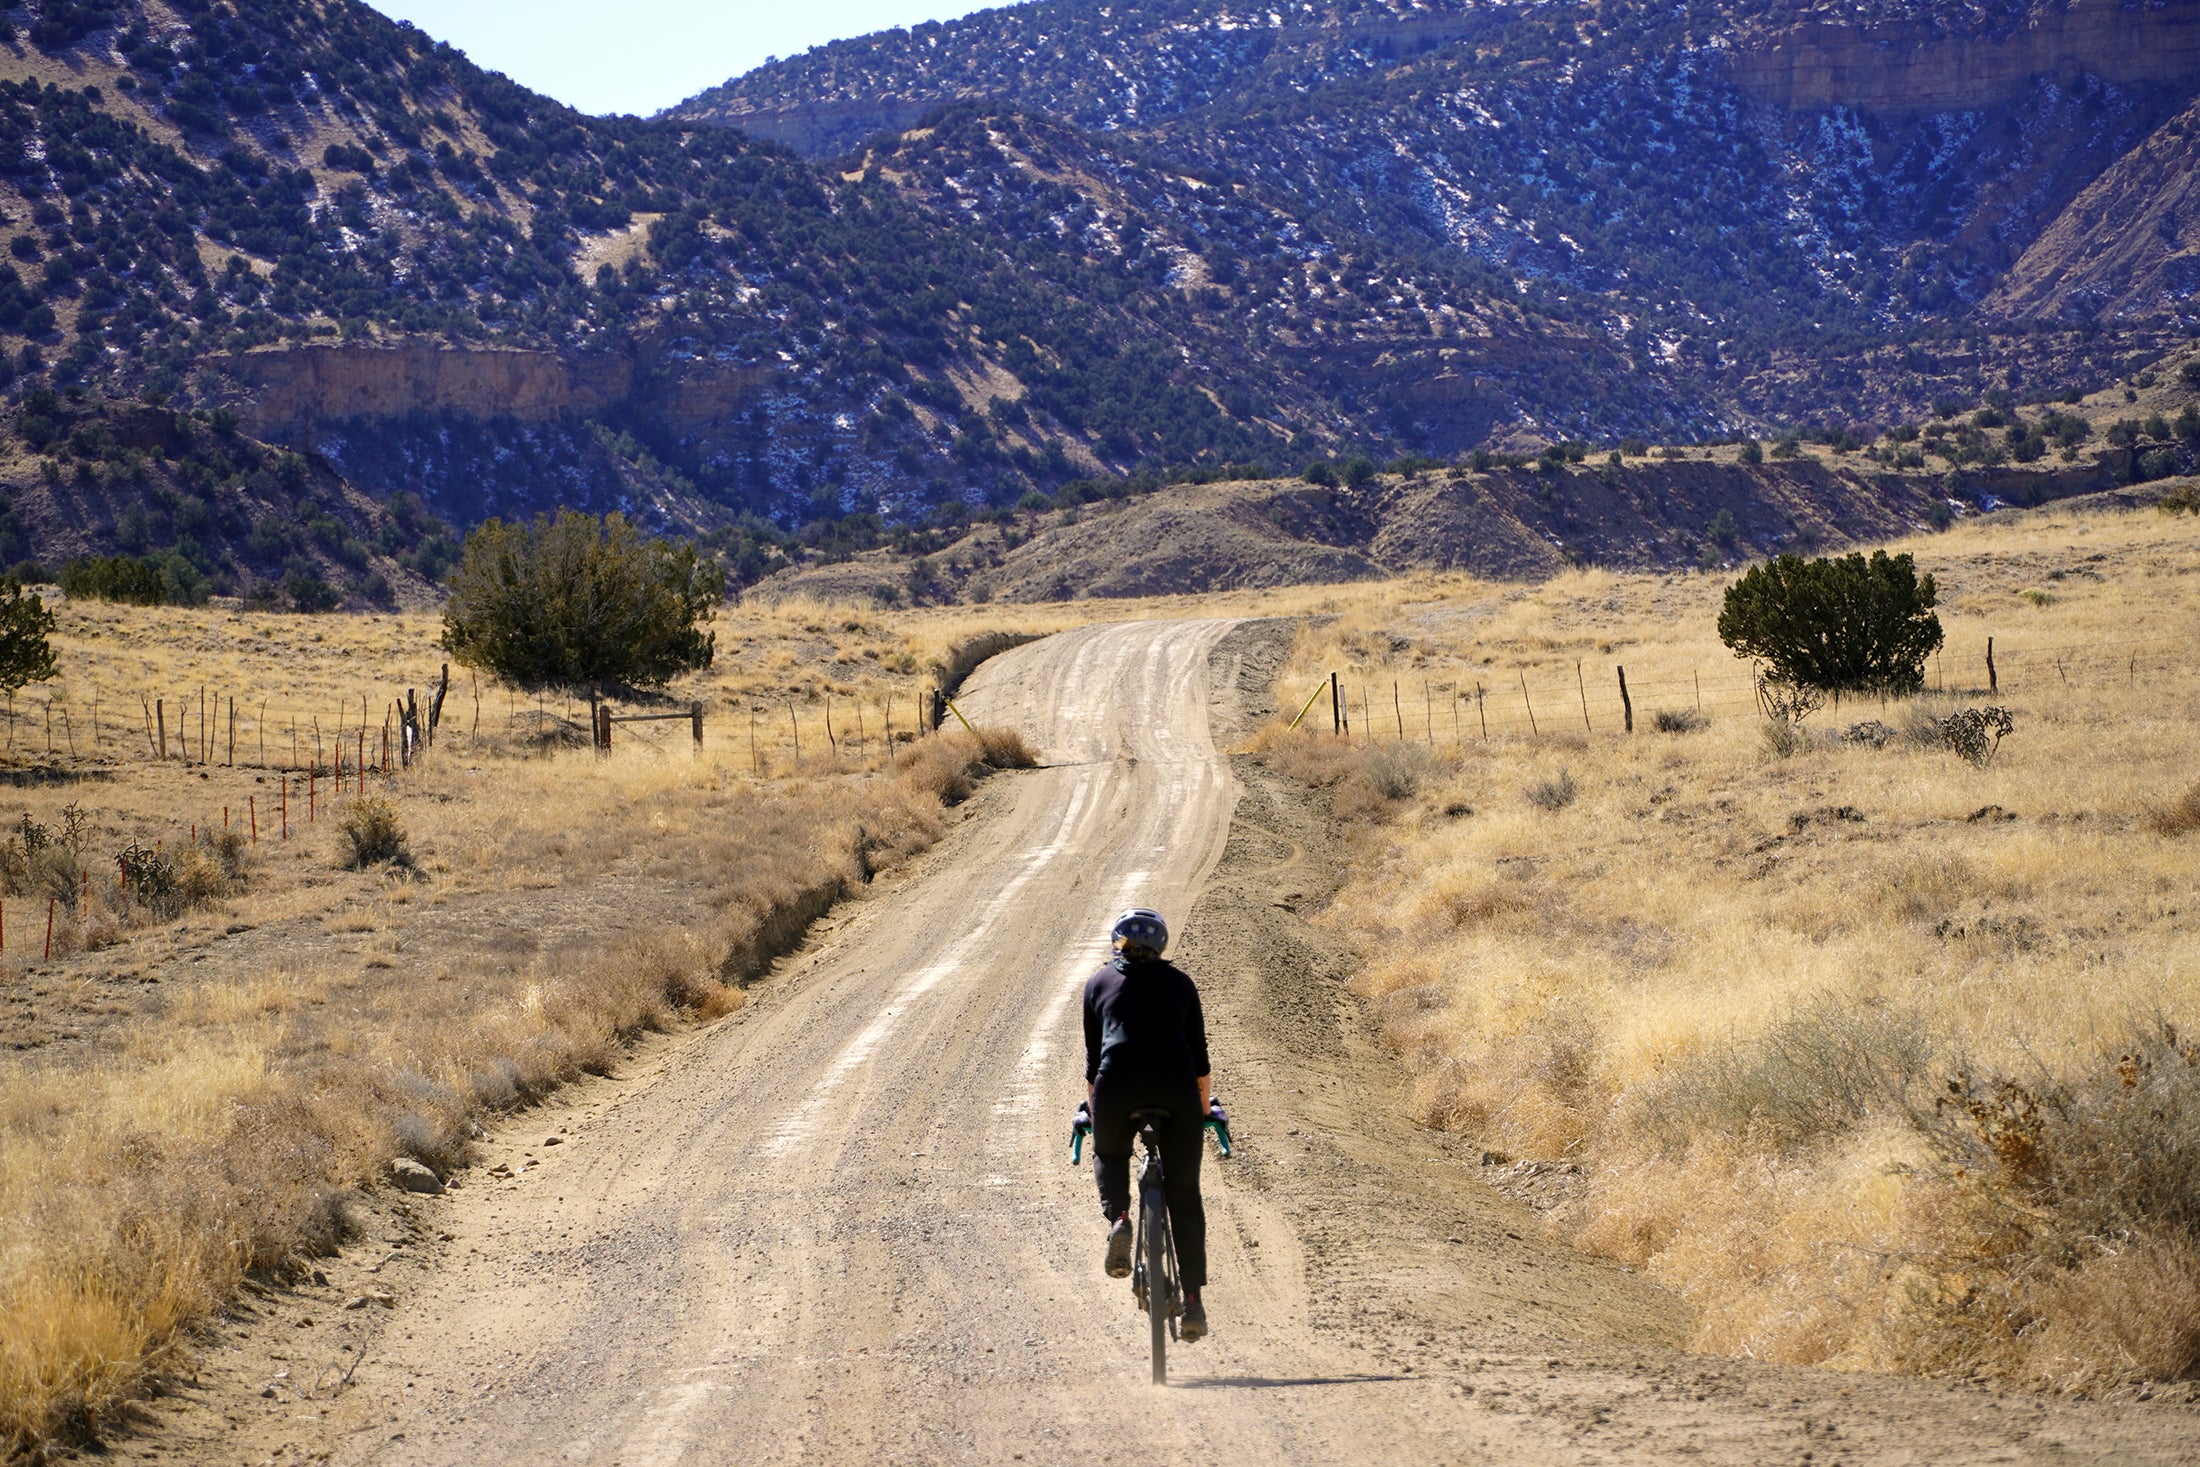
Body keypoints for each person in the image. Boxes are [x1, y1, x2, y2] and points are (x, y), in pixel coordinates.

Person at [1082, 907, 1217, 1343]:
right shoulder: (1180, 983)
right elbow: (1199, 1061)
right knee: (1184, 1195)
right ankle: (1193, 1302)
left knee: (1111, 1152)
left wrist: (1095, 1110)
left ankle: (1120, 1216)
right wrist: (1202, 1109)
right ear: (1160, 946)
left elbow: (1092, 1063)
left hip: (1117, 1086)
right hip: (1176, 1089)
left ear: (1116, 941)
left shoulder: (1098, 983)